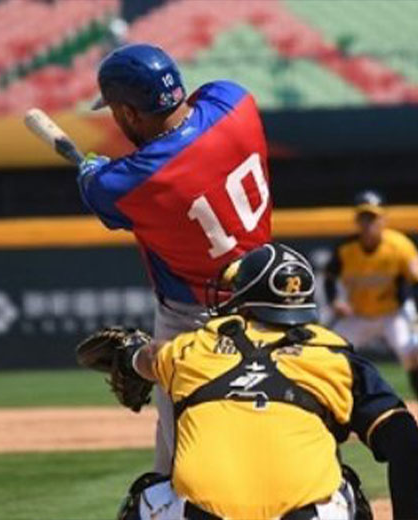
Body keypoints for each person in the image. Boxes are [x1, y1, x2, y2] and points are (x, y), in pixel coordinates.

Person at [109, 243, 418, 520]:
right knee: (346, 488)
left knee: (146, 495)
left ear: (247, 295)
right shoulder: (335, 357)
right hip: (305, 517)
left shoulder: (195, 347)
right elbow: (407, 441)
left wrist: (129, 354)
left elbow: (149, 357)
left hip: (198, 516)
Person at [78, 43, 272, 473]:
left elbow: (98, 189)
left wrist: (89, 168)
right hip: (272, 300)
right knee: (284, 426)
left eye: (114, 110)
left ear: (129, 113)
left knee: (183, 462)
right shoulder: (235, 100)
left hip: (194, 320)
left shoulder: (129, 182)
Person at [324, 190, 418, 435]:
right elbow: (329, 278)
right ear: (357, 221)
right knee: (329, 355)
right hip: (357, 315)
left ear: (383, 220)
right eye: (363, 218)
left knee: (414, 354)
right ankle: (332, 419)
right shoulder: (345, 249)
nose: (368, 224)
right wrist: (335, 299)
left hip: (394, 313)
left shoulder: (399, 245)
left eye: (373, 218)